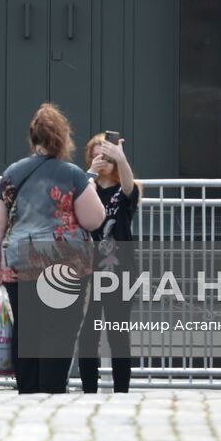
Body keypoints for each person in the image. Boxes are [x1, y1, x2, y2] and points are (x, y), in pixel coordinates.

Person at [0, 103, 105, 394]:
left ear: (33, 136)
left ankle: (27, 390)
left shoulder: (12, 173)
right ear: (63, 138)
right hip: (65, 264)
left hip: (20, 262)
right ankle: (51, 391)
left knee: (26, 330)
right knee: (59, 331)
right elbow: (94, 219)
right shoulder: (74, 174)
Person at [77, 132, 140, 394]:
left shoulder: (123, 191)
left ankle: (121, 391)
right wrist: (90, 174)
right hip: (86, 271)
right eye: (97, 156)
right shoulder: (84, 187)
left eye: (107, 158)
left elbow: (129, 187)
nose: (103, 161)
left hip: (120, 271)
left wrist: (121, 158)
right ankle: (89, 391)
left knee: (118, 334)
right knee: (88, 335)